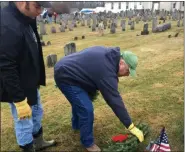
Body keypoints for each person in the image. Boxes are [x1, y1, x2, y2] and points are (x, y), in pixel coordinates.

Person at [54, 46, 144, 152]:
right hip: (66, 75)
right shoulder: (107, 70)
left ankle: (77, 125)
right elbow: (114, 100)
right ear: (121, 63)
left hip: (72, 71)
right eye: (128, 71)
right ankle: (88, 143)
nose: (127, 74)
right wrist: (130, 126)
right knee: (86, 109)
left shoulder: (110, 58)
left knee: (80, 102)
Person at [0, 2, 56, 152]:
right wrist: (19, 100)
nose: (40, 11)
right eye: (38, 6)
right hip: (18, 85)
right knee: (24, 121)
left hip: (31, 80)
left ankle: (38, 142)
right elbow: (5, 65)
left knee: (37, 112)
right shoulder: (7, 24)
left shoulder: (26, 15)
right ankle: (28, 149)